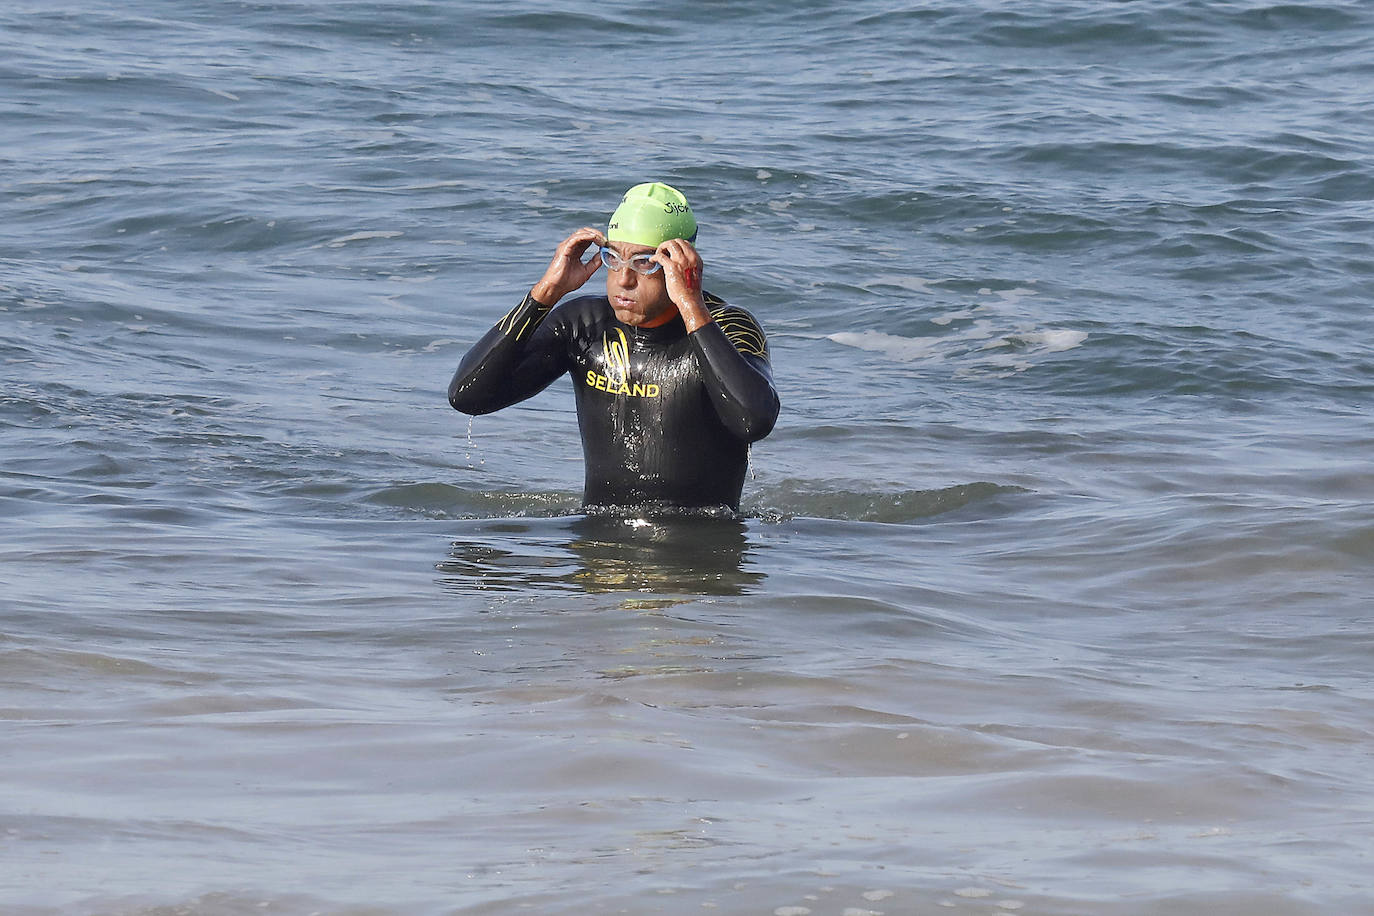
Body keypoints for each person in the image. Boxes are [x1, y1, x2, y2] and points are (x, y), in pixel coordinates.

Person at [448, 182, 779, 513]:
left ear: (679, 266)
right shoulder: (583, 325)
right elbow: (468, 396)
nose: (623, 279)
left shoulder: (728, 328)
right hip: (597, 548)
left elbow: (753, 420)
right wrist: (546, 292)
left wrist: (692, 307)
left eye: (644, 263)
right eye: (614, 259)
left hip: (698, 553)